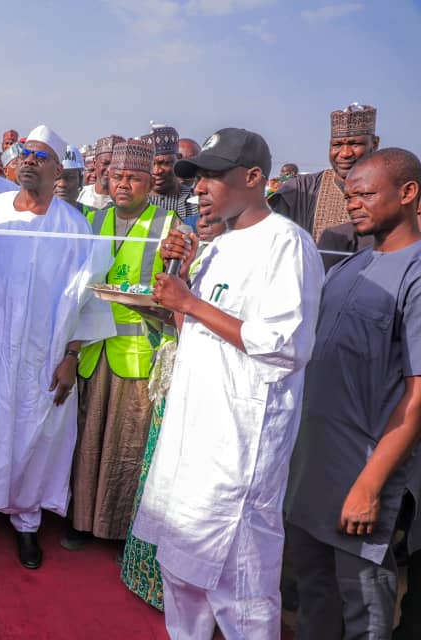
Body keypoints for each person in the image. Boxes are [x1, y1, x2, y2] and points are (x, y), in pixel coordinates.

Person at [131, 128, 324, 638]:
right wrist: (179, 283)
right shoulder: (216, 247)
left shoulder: (287, 244)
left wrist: (190, 301)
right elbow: (188, 332)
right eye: (197, 179)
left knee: (239, 587)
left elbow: (286, 346)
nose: (200, 187)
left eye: (213, 175)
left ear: (254, 177)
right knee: (181, 569)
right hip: (194, 433)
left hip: (239, 445)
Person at [0, 125, 115, 570]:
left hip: (45, 357)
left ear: (59, 169)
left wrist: (72, 356)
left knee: (37, 434)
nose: (29, 161)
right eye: (24, 154)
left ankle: (27, 523)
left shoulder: (75, 227)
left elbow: (90, 299)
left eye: (41, 156)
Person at [285, 148, 421, 639]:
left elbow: (416, 396)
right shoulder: (349, 267)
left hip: (362, 478)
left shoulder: (416, 275)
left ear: (408, 193)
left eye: (365, 193)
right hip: (312, 474)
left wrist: (368, 486)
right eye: (349, 195)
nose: (353, 204)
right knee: (314, 596)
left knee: (365, 609)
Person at [67, 138, 177, 548]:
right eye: (117, 177)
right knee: (87, 439)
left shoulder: (169, 228)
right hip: (93, 352)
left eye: (134, 178)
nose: (124, 185)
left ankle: (118, 533)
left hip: (138, 356)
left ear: (150, 183)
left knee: (127, 445)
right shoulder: (92, 223)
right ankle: (80, 523)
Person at [119, 209, 227, 611]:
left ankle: (183, 589)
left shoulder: (240, 261)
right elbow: (168, 313)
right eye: (200, 216)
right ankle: (144, 571)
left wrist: (183, 301)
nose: (203, 223)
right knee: (158, 473)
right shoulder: (187, 255)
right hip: (174, 373)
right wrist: (170, 276)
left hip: (214, 388)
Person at [269, 103, 379, 241]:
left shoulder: (389, 191)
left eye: (355, 144)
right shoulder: (302, 189)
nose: (345, 153)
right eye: (337, 145)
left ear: (374, 144)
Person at [143, 124, 199, 228]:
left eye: (164, 163)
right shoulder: (134, 204)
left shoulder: (197, 202)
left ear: (177, 159)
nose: (157, 171)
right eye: (151, 164)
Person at [78, 135, 124, 210]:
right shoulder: (80, 195)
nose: (109, 169)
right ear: (95, 163)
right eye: (105, 163)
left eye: (115, 164)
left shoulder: (126, 200)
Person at [55, 144, 85, 209]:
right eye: (56, 177)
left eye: (70, 177)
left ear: (80, 180)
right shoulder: (32, 217)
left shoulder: (95, 216)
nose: (62, 184)